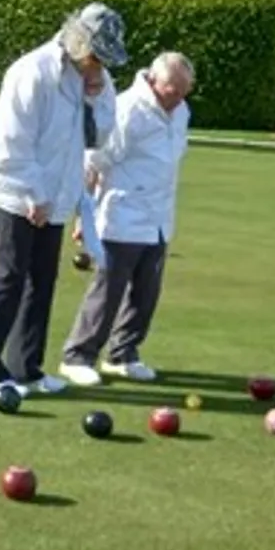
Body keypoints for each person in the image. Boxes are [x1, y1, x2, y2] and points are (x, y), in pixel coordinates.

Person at [0, 3, 125, 399]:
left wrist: (97, 95)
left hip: (57, 193)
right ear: (77, 42)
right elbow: (11, 143)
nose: (98, 67)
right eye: (95, 59)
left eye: (103, 62)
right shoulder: (32, 72)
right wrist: (33, 194)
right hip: (16, 189)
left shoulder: (91, 79)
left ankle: (26, 368)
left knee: (42, 282)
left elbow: (102, 135)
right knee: (10, 277)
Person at [58, 51, 193, 388]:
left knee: (146, 293)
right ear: (153, 80)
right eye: (172, 91)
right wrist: (83, 215)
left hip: (159, 217)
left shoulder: (180, 112)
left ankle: (123, 354)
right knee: (109, 290)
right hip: (122, 214)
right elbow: (95, 162)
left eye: (184, 93)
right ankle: (77, 356)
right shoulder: (129, 109)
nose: (177, 100)